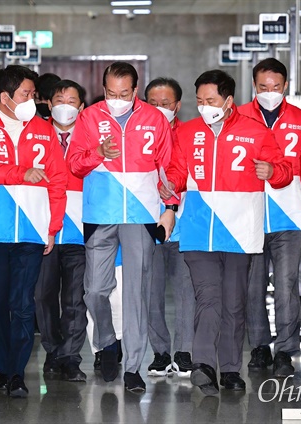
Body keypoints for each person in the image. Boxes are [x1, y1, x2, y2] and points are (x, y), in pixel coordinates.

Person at [163, 69, 293, 396]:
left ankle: (231, 369)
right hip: (197, 231)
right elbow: (178, 172)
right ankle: (204, 364)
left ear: (228, 100)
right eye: (200, 101)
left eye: (211, 100)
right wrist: (170, 183)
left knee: (234, 303)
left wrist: (273, 171)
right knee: (208, 298)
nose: (204, 106)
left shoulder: (256, 131)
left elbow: (284, 172)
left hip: (239, 232)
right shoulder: (188, 132)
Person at [66, 61, 174, 393]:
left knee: (136, 294)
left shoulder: (155, 119)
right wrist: (97, 153)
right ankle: (106, 340)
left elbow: (168, 168)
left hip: (141, 214)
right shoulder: (89, 118)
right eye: (111, 93)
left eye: (123, 93)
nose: (117, 99)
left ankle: (133, 368)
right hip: (100, 214)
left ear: (135, 91)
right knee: (95, 290)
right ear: (103, 89)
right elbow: (74, 164)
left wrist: (170, 207)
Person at [0, 65, 67, 398]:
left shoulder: (44, 131)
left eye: (33, 95)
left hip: (32, 230)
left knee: (23, 303)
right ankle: (4, 367)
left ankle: (18, 373)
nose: (31, 100)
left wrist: (54, 226)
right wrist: (22, 173)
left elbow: (58, 180)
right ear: (5, 97)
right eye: (26, 94)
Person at [239, 58, 301, 378]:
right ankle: (259, 346)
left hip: (290, 214)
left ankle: (285, 349)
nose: (269, 92)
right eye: (262, 87)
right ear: (254, 87)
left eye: (275, 87)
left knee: (286, 284)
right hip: (249, 214)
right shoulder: (239, 117)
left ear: (285, 86)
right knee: (252, 285)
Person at [34, 79, 88, 382]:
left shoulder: (91, 135)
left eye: (72, 100)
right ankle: (53, 350)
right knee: (42, 294)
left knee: (74, 298)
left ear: (81, 106)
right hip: (45, 228)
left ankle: (70, 357)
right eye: (59, 99)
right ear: (49, 104)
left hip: (80, 228)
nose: (65, 105)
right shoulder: (35, 134)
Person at [144, 77, 195, 378]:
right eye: (153, 104)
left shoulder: (189, 135)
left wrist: (172, 200)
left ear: (177, 105)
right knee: (151, 291)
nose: (160, 109)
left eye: (166, 104)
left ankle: (184, 352)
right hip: (149, 222)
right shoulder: (138, 135)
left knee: (186, 289)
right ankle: (160, 352)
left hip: (185, 222)